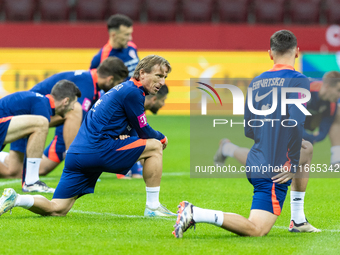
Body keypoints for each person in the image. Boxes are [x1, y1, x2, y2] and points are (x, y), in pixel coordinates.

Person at [173, 30, 314, 238]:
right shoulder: (299, 80)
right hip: (275, 169)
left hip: (258, 158)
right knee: (257, 230)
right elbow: (296, 121)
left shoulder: (256, 82)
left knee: (307, 149)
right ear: (297, 53)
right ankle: (196, 212)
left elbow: (249, 129)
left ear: (270, 54)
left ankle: (298, 220)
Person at [0, 55, 176, 218]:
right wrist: (162, 138)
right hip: (98, 149)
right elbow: (143, 129)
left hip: (77, 154)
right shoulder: (133, 92)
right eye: (158, 75)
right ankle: (153, 207)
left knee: (58, 208)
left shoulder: (121, 90)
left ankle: (16, 199)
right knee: (154, 146)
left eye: (164, 77)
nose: (161, 81)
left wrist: (122, 136)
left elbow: (116, 124)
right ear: (142, 73)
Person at [213, 71, 340, 232]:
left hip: (296, 130)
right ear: (327, 86)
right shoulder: (306, 90)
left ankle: (227, 148)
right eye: (338, 91)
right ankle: (227, 148)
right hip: (278, 126)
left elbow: (320, 135)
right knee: (270, 165)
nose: (339, 95)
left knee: (304, 150)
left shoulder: (332, 105)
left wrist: (301, 135)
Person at [0, 57, 128, 186]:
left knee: (16, 171)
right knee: (75, 110)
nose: (117, 87)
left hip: (31, 117)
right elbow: (77, 122)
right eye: (118, 83)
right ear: (110, 79)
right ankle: (77, 167)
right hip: (21, 116)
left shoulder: (91, 85)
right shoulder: (86, 84)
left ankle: (5, 158)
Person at [0, 80, 81, 193]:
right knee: (42, 123)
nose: (73, 108)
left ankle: (30, 182)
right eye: (73, 103)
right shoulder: (42, 107)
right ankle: (32, 182)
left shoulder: (40, 102)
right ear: (66, 101)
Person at [117, 84, 169, 179]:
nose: (163, 104)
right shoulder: (133, 105)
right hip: (101, 145)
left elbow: (136, 135)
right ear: (154, 99)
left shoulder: (137, 107)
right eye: (163, 100)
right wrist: (162, 138)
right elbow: (145, 132)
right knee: (155, 145)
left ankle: (132, 169)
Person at [90, 14, 139, 79]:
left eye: (130, 33)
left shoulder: (132, 46)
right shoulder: (102, 58)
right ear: (113, 35)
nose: (130, 38)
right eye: (126, 34)